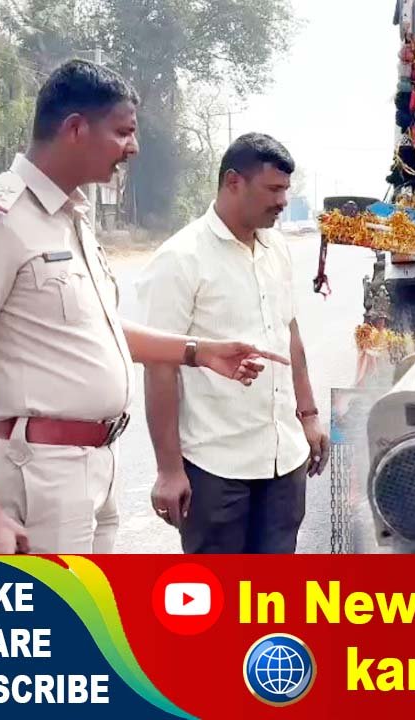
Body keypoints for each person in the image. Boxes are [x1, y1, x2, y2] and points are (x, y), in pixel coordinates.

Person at [0, 60, 288, 555]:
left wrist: (199, 351)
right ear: (76, 128)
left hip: (95, 466)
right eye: (123, 132)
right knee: (49, 607)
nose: (132, 147)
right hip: (41, 474)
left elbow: (99, 329)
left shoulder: (71, 217)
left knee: (90, 605)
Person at [137, 133, 329, 554]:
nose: (283, 201)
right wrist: (169, 470)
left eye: (285, 190)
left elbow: (290, 334)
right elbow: (159, 366)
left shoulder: (276, 248)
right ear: (233, 182)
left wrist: (309, 415)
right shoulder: (181, 258)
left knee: (272, 590)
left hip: (283, 460)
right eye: (273, 189)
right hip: (216, 467)